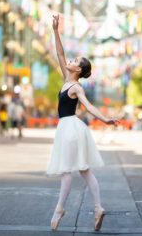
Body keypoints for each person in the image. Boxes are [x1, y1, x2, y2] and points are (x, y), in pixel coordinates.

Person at [47, 14, 119, 231]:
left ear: (78, 69)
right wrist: (55, 31)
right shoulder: (66, 80)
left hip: (69, 128)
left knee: (67, 172)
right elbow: (59, 53)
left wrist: (105, 119)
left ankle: (59, 209)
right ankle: (98, 208)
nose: (70, 60)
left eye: (75, 61)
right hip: (69, 128)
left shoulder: (75, 87)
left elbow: (88, 106)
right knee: (84, 170)